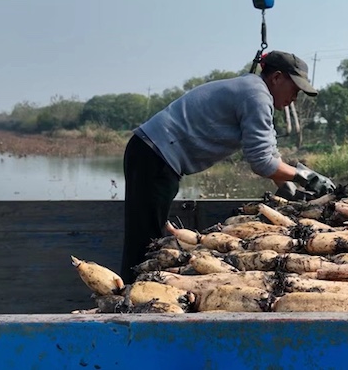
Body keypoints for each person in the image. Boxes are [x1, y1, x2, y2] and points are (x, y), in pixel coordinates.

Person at [120, 50, 335, 282]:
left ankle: (136, 287)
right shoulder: (257, 96)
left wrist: (288, 188)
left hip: (153, 154)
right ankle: (132, 294)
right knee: (145, 240)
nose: (295, 98)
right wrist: (306, 177)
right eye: (295, 89)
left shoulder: (253, 90)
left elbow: (270, 151)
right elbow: (261, 162)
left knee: (147, 233)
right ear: (277, 78)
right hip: (155, 155)